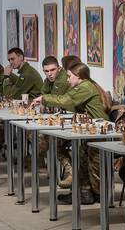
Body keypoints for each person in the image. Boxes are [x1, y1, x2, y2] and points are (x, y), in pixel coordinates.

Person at [32, 61, 107, 203]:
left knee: (77, 150)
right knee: (56, 142)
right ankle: (79, 185)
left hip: (98, 130)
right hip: (88, 128)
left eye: (69, 76)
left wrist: (44, 98)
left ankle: (86, 190)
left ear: (78, 76)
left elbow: (66, 100)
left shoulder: (85, 86)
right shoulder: (81, 85)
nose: (67, 79)